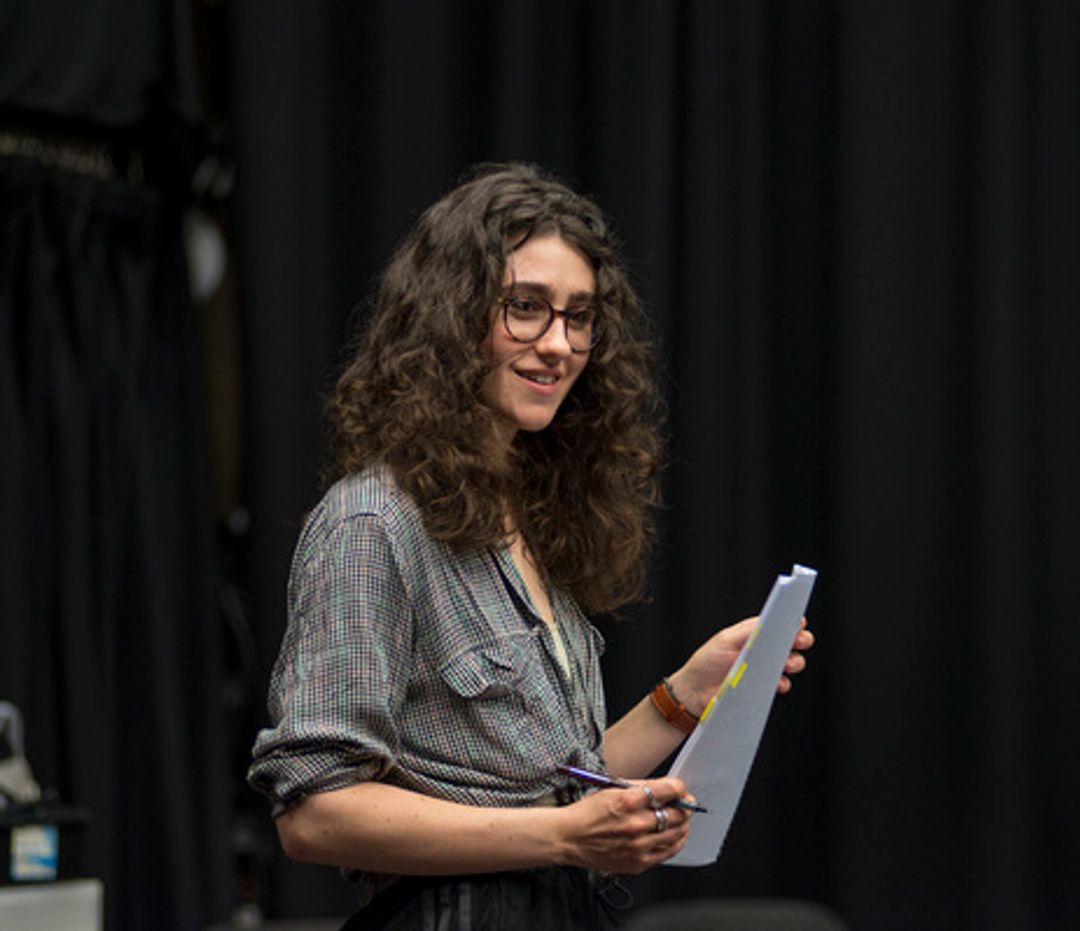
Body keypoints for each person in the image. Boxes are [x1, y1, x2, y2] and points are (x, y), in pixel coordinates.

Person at [247, 162, 814, 930]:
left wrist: (685, 696)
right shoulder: (373, 522)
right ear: (449, 316)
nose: (559, 344)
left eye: (579, 317)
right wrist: (565, 836)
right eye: (526, 309)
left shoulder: (533, 517)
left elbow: (546, 792)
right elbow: (313, 816)